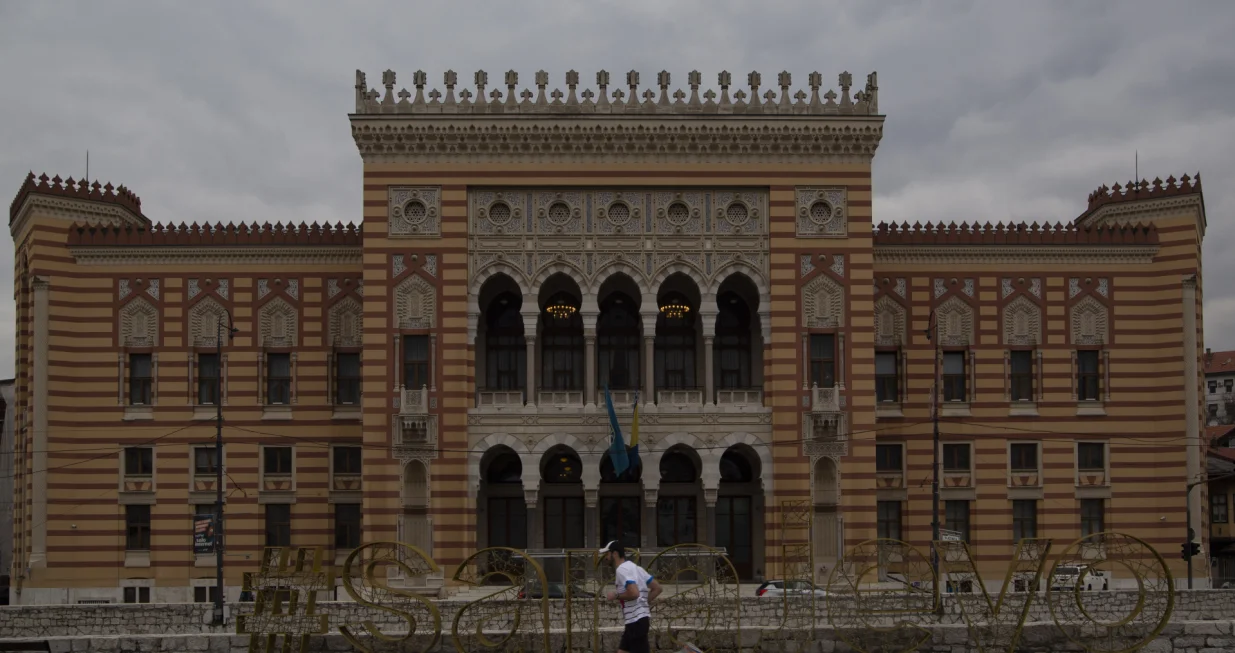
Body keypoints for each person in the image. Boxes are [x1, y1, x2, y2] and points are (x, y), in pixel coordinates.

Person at [599, 540, 662, 653]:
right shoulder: (637, 568)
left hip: (635, 622)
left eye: (607, 554)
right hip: (636, 621)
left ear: (615, 554)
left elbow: (634, 593)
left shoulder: (621, 570)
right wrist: (643, 604)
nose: (605, 557)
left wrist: (616, 595)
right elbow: (657, 588)